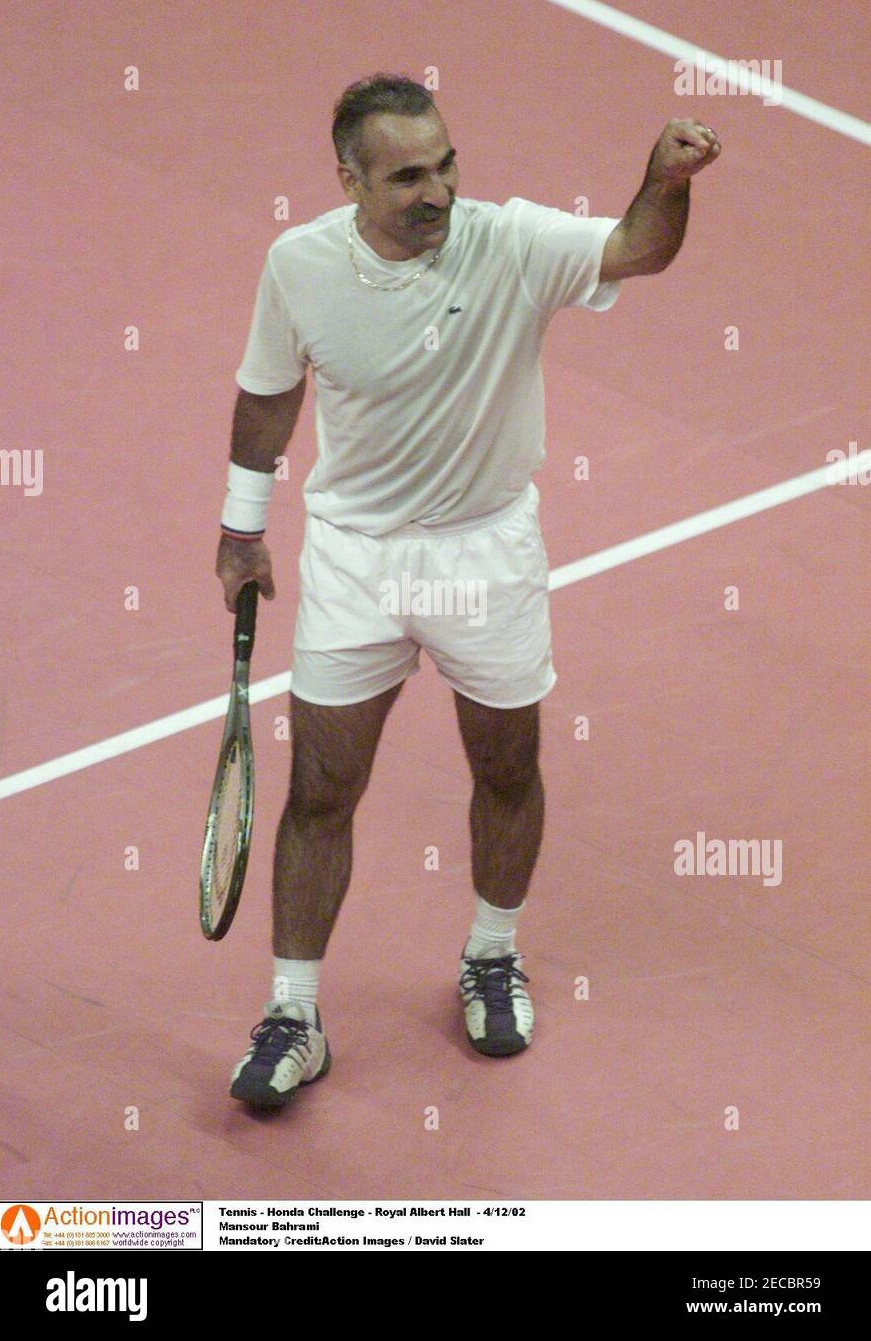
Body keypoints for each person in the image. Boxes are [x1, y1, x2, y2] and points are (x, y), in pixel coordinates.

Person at [217, 74, 720, 1110]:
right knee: (321, 789)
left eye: (444, 163)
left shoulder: (511, 241)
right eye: (406, 175)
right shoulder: (299, 265)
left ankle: (491, 955)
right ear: (348, 179)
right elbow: (268, 395)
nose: (437, 189)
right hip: (356, 558)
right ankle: (293, 1014)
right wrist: (239, 528)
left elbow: (637, 246)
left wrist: (664, 179)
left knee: (505, 764)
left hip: (485, 554)